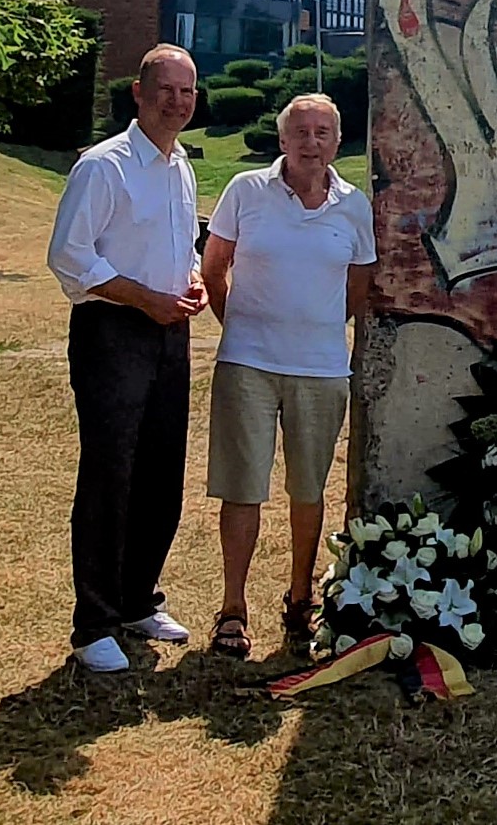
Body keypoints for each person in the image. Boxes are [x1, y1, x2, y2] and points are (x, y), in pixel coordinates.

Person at [46, 45, 207, 672]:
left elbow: (182, 241)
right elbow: (70, 255)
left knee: (161, 471)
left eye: (187, 91)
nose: (176, 101)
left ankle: (139, 599)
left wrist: (190, 278)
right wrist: (144, 299)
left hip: (170, 331)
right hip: (113, 330)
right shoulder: (103, 166)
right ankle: (94, 625)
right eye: (165, 89)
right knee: (110, 474)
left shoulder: (180, 167)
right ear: (138, 94)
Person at [200, 93, 376, 658]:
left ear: (336, 141)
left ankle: (301, 598)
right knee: (242, 489)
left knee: (309, 490)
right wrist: (242, 327)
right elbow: (213, 269)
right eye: (300, 131)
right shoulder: (245, 192)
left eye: (323, 131)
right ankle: (232, 608)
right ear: (283, 140)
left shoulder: (354, 206)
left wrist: (317, 324)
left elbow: (358, 287)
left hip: (321, 369)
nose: (311, 142)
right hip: (247, 365)